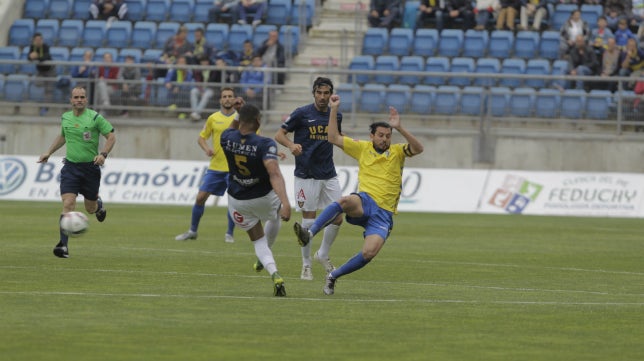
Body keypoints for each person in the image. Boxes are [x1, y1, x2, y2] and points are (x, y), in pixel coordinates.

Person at [293, 95, 424, 295]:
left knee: (368, 253)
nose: (384, 139)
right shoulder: (362, 148)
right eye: (380, 135)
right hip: (364, 202)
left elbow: (418, 148)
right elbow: (333, 138)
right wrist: (334, 108)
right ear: (371, 136)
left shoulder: (398, 152)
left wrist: (399, 128)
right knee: (345, 200)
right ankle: (309, 234)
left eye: (388, 135)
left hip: (384, 213)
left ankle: (333, 276)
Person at [274, 77, 343, 281]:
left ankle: (322, 254)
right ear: (313, 93)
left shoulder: (336, 115)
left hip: (328, 173)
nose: (322, 97)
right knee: (308, 220)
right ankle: (306, 265)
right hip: (306, 174)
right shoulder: (302, 113)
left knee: (339, 216)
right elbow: (279, 134)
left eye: (326, 93)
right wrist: (290, 145)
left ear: (331, 94)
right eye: (319, 93)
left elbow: (336, 137)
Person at [220, 103, 291, 296]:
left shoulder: (226, 138)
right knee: (275, 217)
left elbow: (231, 128)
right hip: (264, 197)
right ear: (258, 121)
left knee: (258, 241)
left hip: (238, 200)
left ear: (241, 120)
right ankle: (266, 253)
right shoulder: (264, 143)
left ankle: (274, 273)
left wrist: (237, 112)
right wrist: (285, 202)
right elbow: (274, 173)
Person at [37, 86, 116, 258]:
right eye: (76, 97)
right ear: (71, 100)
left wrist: (103, 154)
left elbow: (111, 136)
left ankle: (98, 206)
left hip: (90, 169)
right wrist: (48, 153)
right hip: (70, 168)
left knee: (90, 208)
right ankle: (62, 246)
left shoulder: (95, 117)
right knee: (68, 204)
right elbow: (63, 136)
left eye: (82, 97)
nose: (79, 99)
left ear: (86, 100)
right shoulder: (65, 117)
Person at [175, 87, 242, 243]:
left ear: (234, 99)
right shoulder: (213, 118)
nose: (227, 99)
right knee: (200, 198)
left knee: (233, 202)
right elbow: (201, 138)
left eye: (230, 96)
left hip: (234, 168)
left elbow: (255, 135)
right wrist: (207, 149)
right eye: (224, 96)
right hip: (215, 167)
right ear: (220, 100)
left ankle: (229, 234)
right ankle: (192, 231)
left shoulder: (241, 119)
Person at [28, 32, 56, 116]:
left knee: (48, 90)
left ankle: (46, 108)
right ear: (33, 40)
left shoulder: (45, 46)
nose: (39, 41)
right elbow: (29, 57)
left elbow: (45, 57)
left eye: (40, 39)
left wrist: (36, 57)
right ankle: (41, 103)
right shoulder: (32, 47)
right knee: (37, 83)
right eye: (37, 40)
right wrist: (30, 57)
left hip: (50, 70)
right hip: (40, 71)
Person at [164, 55, 194, 119]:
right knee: (172, 88)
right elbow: (168, 78)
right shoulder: (173, 69)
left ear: (186, 63)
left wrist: (179, 87)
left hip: (185, 90)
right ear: (177, 63)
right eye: (180, 62)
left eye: (183, 62)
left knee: (183, 91)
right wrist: (167, 82)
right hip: (174, 89)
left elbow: (187, 81)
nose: (181, 64)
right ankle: (177, 109)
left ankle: (181, 111)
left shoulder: (189, 71)